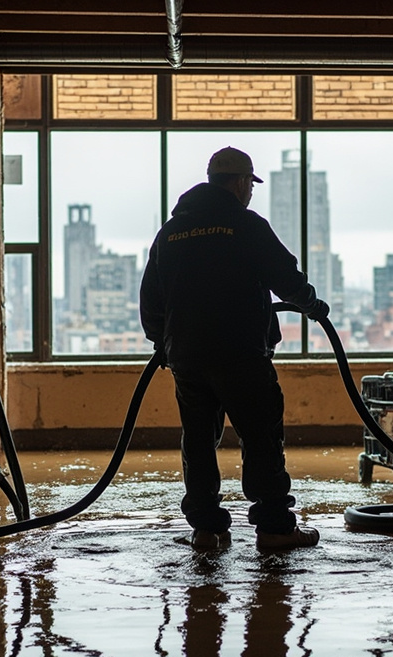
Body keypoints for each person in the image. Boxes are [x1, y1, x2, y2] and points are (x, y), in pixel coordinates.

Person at [140, 146, 330, 550]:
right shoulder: (246, 225)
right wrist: (313, 305)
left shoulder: (170, 233)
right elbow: (286, 278)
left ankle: (206, 529)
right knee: (261, 438)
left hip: (188, 358)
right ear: (241, 182)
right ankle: (275, 528)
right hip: (241, 354)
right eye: (250, 185)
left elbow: (151, 299)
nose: (250, 192)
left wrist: (164, 344)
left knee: (197, 441)